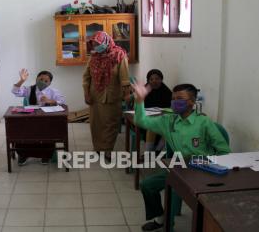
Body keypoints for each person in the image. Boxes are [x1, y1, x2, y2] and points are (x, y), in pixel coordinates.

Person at [131, 82, 230, 231]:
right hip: (179, 169)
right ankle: (161, 218)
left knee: (204, 210)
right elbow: (140, 121)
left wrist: (214, 167)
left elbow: (224, 150)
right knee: (147, 186)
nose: (175, 102)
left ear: (192, 101)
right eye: (173, 98)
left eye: (180, 98)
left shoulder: (204, 122)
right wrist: (139, 100)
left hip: (203, 170)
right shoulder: (168, 121)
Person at [82, 31, 130, 160]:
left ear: (106, 42)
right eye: (94, 44)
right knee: (95, 123)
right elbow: (86, 77)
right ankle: (98, 147)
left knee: (110, 124)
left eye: (98, 44)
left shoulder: (119, 55)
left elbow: (125, 78)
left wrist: (127, 96)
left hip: (112, 96)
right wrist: (86, 93)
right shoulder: (94, 57)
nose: (96, 47)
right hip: (94, 95)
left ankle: (107, 149)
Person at [12, 69, 66, 165]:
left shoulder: (53, 91)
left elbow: (62, 101)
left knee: (47, 133)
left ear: (50, 83)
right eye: (41, 79)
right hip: (31, 119)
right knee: (22, 132)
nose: (43, 82)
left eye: (46, 81)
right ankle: (23, 154)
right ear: (36, 79)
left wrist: (51, 101)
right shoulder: (29, 89)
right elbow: (15, 91)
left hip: (47, 120)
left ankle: (45, 155)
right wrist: (21, 80)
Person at [142, 69, 172, 151]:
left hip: (162, 117)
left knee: (167, 128)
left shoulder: (166, 92)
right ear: (148, 80)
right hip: (146, 118)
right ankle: (150, 151)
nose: (154, 81)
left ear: (161, 80)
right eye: (151, 79)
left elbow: (171, 108)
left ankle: (157, 151)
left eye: (157, 79)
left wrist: (163, 112)